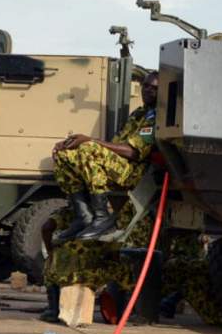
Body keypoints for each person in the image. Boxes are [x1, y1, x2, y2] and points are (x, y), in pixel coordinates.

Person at [51, 71, 160, 242]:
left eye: (153, 88)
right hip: (120, 166)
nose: (147, 90)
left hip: (133, 172)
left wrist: (90, 140)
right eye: (145, 86)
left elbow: (133, 152)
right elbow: (115, 145)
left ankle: (103, 217)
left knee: (88, 147)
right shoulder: (138, 113)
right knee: (63, 154)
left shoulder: (157, 118)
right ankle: (84, 216)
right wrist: (69, 144)